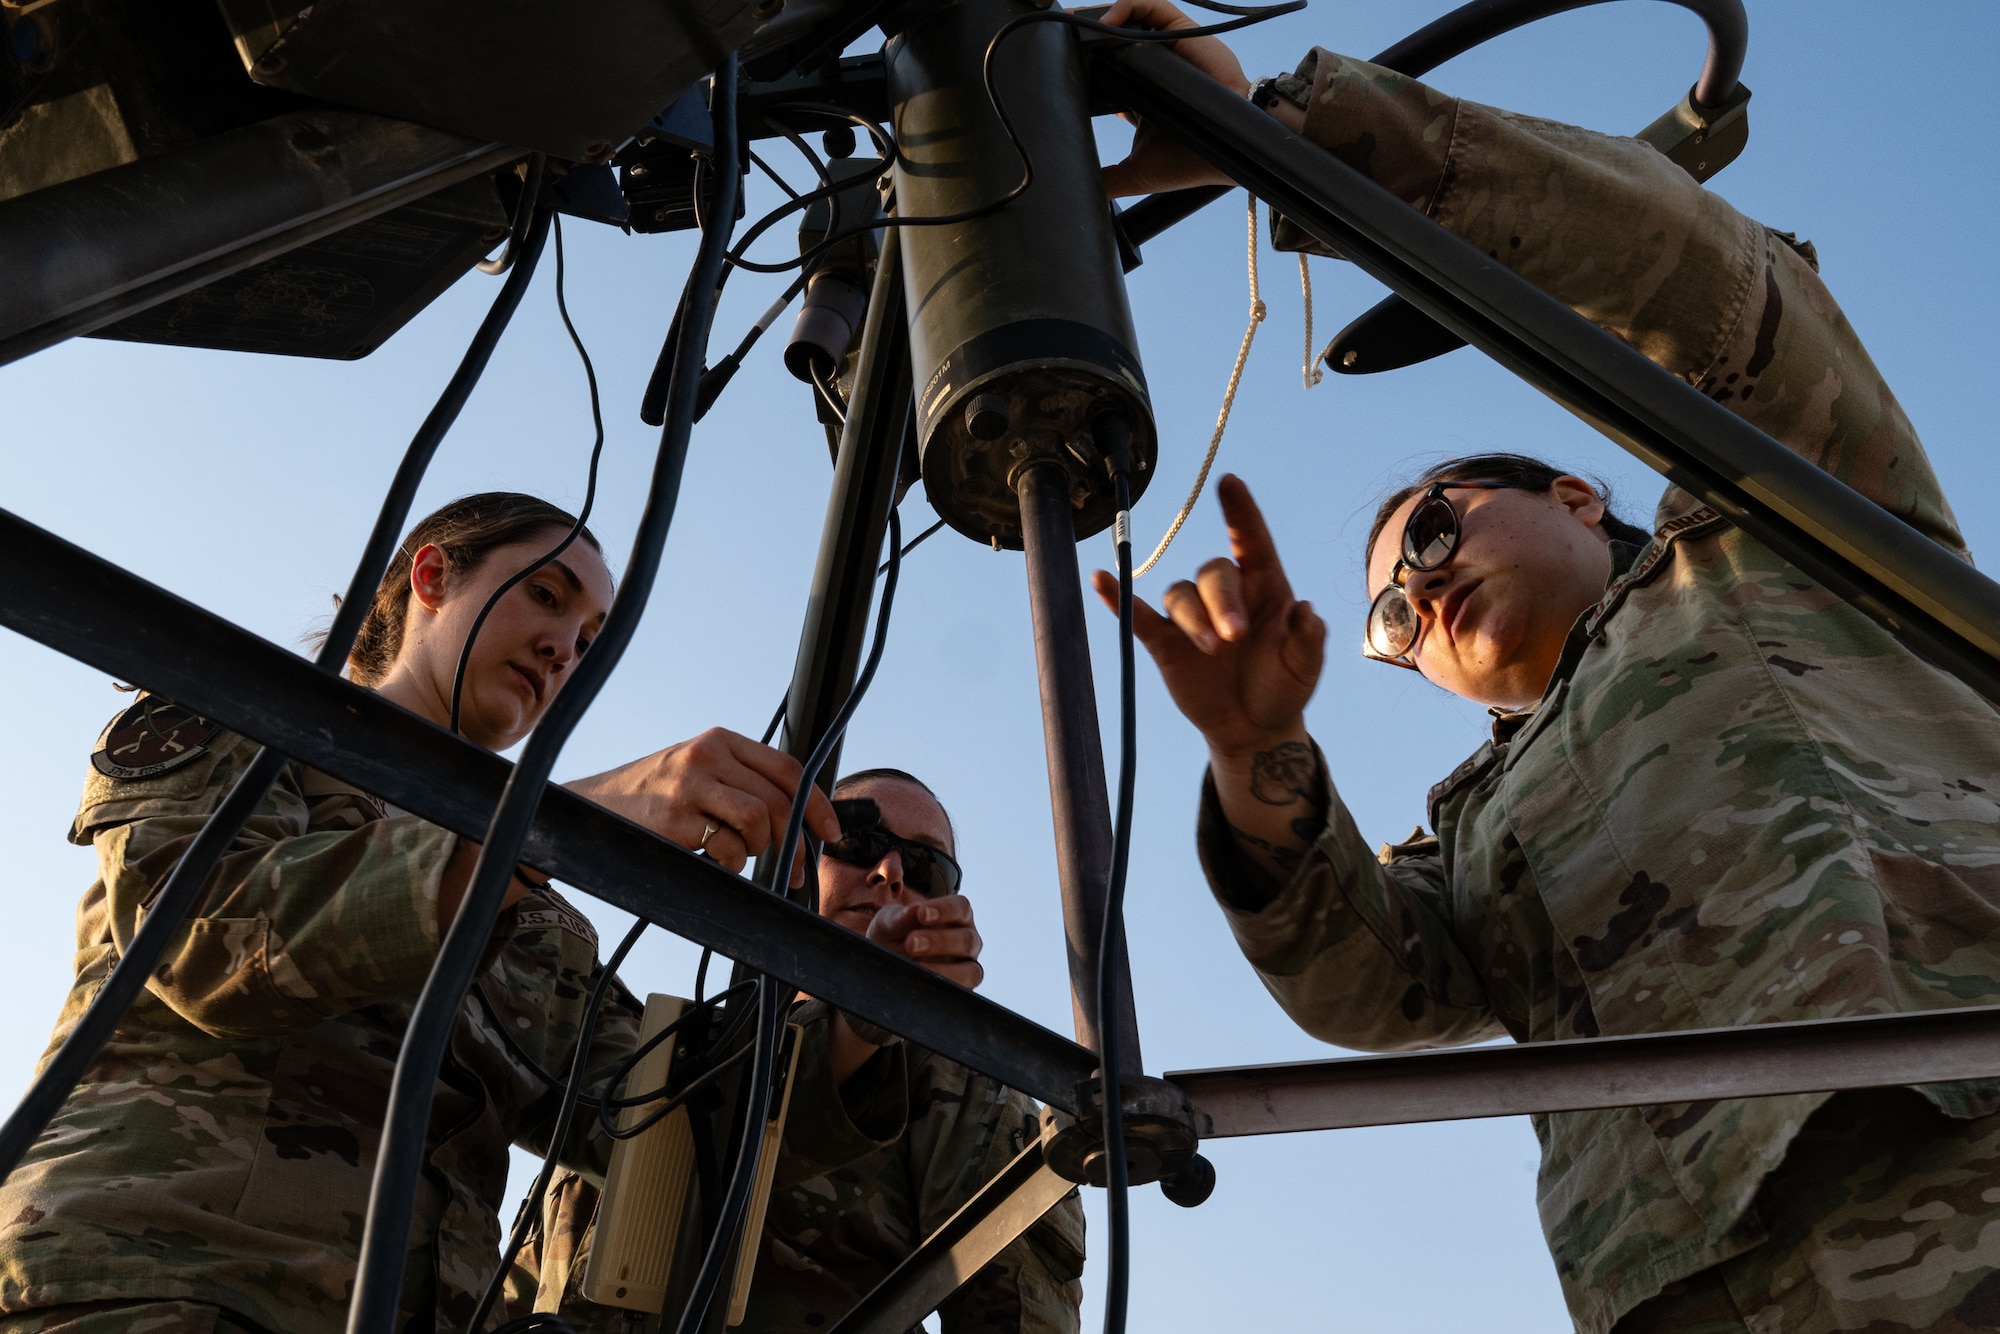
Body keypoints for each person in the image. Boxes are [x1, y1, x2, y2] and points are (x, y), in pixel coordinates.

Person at [1093, 5, 2000, 1332]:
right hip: (1699, 1290)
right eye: (1391, 620)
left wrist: (1288, 139)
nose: (1420, 591)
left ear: (1579, 496)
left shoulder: (1791, 541)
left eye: (1437, 533)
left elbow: (1704, 277)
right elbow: (1363, 979)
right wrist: (1255, 759)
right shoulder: (1472, 837)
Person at [0, 492, 847, 1334]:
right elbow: (211, 946)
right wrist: (556, 824)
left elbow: (661, 1124)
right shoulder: (245, 720)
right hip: (154, 1282)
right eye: (547, 597)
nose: (564, 649)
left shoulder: (540, 919)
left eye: (591, 644)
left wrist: (851, 1010)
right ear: (433, 575)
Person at [507, 767, 1086, 1334]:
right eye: (858, 843)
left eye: (925, 865)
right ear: (800, 864)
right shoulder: (651, 1054)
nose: (889, 872)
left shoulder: (963, 1087)